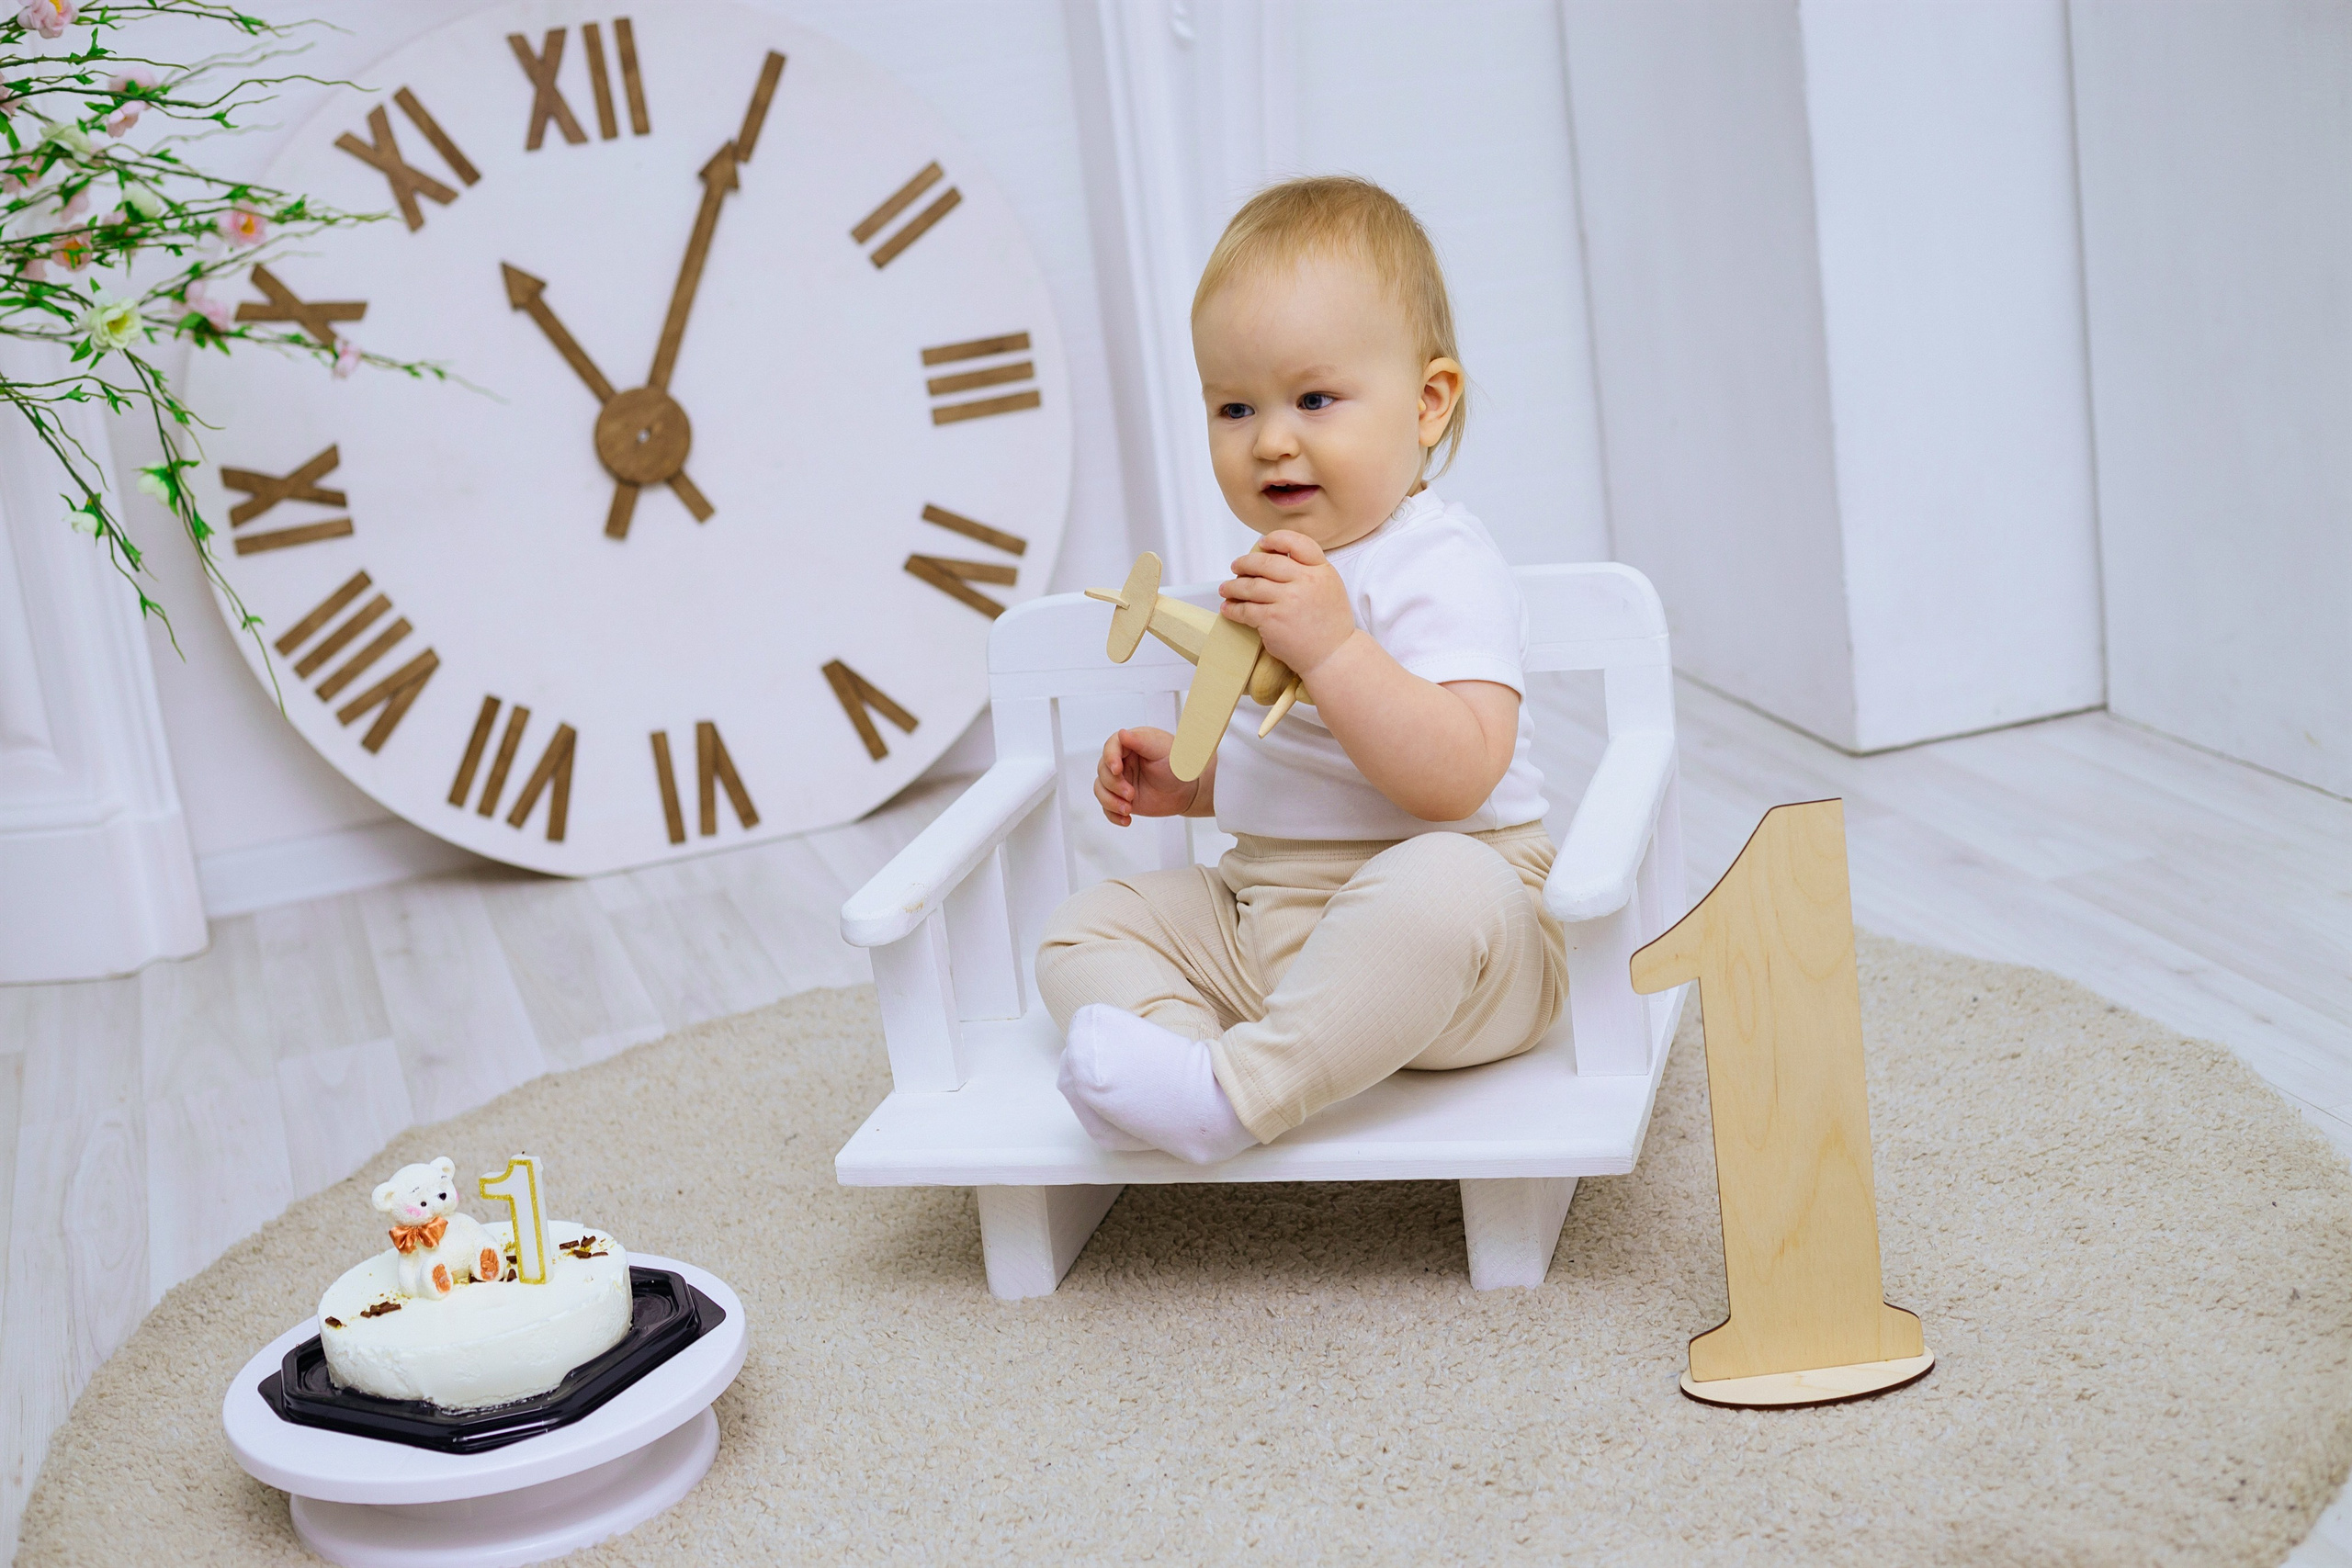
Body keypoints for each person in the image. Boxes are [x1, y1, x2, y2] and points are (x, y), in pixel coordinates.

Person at [1036, 175, 1562, 1164]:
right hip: (1272, 913)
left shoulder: (1436, 559)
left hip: (1471, 951)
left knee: (1441, 886)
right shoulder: (1270, 575)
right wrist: (1193, 786)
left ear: (1427, 404)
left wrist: (1333, 647)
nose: (1270, 439)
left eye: (1315, 398)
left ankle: (1238, 1095)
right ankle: (1188, 1068)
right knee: (1082, 929)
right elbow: (1304, 766)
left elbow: (1457, 775)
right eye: (1234, 407)